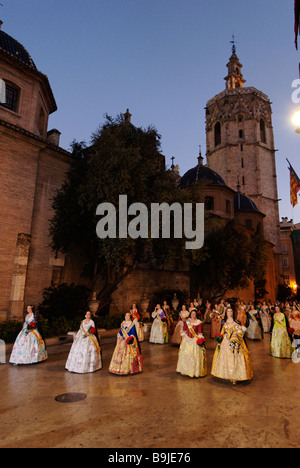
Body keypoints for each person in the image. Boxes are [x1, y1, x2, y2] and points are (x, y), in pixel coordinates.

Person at [211, 308, 253, 385]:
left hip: (235, 342)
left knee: (236, 357)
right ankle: (227, 374)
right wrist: (219, 339)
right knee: (225, 358)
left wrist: (240, 331)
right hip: (226, 342)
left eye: (231, 311)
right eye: (228, 311)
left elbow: (240, 333)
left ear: (233, 313)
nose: (229, 313)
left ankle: (236, 376)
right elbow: (222, 332)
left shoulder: (237, 322)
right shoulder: (224, 322)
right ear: (226, 313)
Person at [176, 310, 207, 378]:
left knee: (194, 356)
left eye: (194, 314)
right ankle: (185, 371)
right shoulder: (187, 321)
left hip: (194, 340)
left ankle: (193, 371)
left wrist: (200, 340)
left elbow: (200, 333)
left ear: (196, 315)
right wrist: (182, 340)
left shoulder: (199, 322)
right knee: (186, 355)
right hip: (187, 339)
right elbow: (184, 331)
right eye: (192, 314)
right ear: (190, 315)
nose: (193, 315)